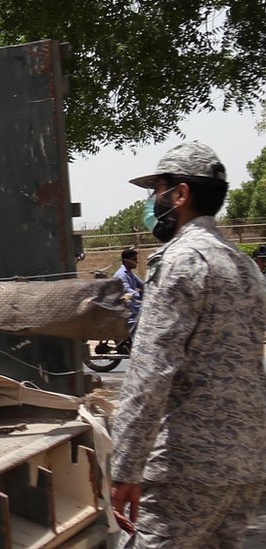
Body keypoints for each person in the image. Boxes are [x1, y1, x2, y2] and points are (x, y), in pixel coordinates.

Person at [110, 141, 266, 548]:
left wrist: (125, 466)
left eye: (156, 190)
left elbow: (150, 374)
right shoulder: (243, 264)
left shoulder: (183, 260)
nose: (152, 202)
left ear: (180, 194)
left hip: (187, 468)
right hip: (245, 464)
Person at [113, 248, 144, 339]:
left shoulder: (130, 273)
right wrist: (140, 296)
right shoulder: (121, 275)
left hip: (133, 306)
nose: (137, 262)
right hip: (126, 309)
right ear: (126, 261)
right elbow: (127, 290)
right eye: (134, 259)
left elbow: (141, 284)